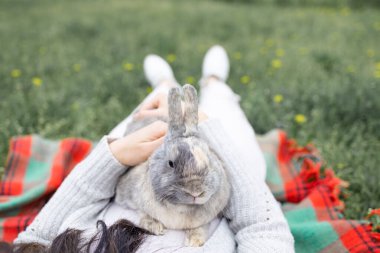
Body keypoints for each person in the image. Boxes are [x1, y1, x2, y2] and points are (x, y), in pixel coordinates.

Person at [13, 45, 295, 252]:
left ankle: (164, 86)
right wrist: (203, 126)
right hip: (222, 188)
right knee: (228, 124)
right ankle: (215, 82)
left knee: (145, 117)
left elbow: (36, 235)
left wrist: (113, 157)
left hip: (122, 182)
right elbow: (264, 227)